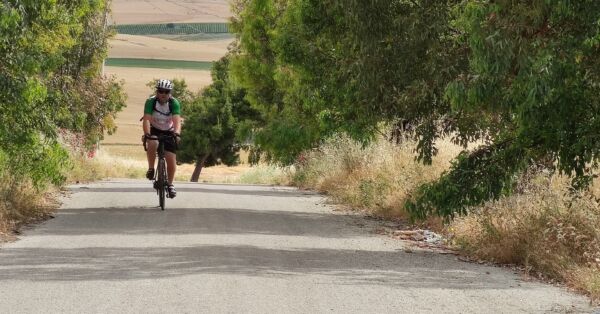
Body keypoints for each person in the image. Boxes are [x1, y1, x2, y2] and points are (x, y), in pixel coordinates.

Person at [142, 79, 182, 198]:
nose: (163, 94)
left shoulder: (174, 103)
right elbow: (146, 120)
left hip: (169, 131)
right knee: (153, 142)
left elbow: (177, 121)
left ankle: (170, 184)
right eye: (161, 91)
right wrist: (147, 134)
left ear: (170, 93)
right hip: (154, 129)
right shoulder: (151, 102)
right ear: (157, 91)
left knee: (171, 159)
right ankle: (151, 168)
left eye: (166, 92)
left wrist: (177, 133)